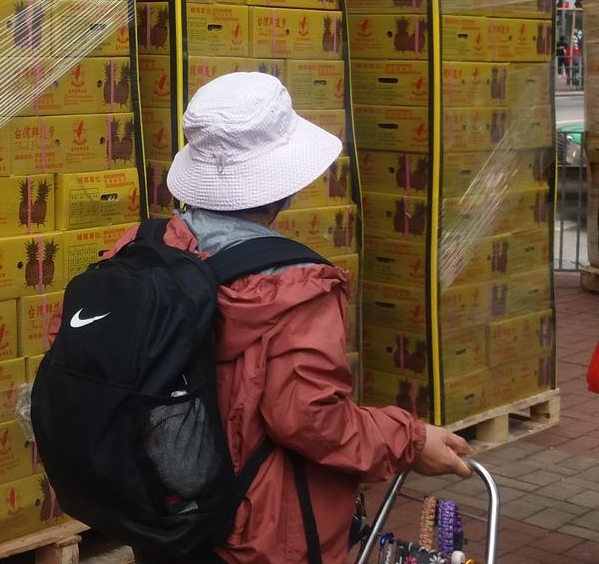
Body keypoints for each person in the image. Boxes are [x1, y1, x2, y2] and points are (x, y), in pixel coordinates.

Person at [121, 73, 471, 564]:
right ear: (281, 184)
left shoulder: (144, 250)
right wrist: (410, 439)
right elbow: (310, 419)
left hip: (168, 517)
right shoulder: (293, 286)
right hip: (259, 535)